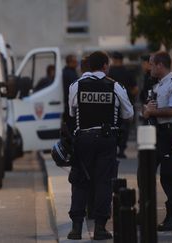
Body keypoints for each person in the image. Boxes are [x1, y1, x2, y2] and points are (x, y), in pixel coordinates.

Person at [67, 51, 134, 240]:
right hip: (106, 139)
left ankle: (76, 228)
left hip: (83, 139)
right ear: (105, 66)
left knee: (80, 181)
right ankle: (100, 228)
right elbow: (128, 114)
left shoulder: (76, 85)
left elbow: (72, 113)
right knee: (103, 182)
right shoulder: (115, 86)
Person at [142, 51, 172, 231]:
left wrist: (152, 112)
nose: (149, 67)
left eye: (152, 64)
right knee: (144, 174)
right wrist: (146, 112)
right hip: (155, 134)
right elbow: (148, 108)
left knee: (169, 176)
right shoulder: (157, 85)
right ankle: (144, 213)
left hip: (169, 136)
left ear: (160, 65)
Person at [108, 51, 138, 159]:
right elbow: (135, 90)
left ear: (114, 60)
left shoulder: (109, 72)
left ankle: (114, 148)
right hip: (126, 104)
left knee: (113, 126)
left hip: (112, 105)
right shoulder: (128, 72)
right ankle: (122, 150)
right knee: (125, 128)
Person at [62, 54, 79, 124]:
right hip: (69, 103)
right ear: (70, 62)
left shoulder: (67, 71)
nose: (77, 63)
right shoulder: (69, 73)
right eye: (75, 62)